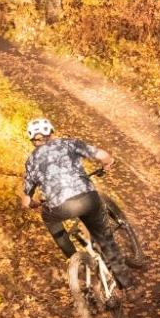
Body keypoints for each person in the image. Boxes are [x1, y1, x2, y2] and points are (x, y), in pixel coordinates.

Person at [20, 118, 131, 287]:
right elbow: (103, 156)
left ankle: (74, 260)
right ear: (51, 133)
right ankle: (128, 285)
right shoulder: (69, 144)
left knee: (49, 217)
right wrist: (108, 163)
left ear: (32, 140)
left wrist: (34, 203)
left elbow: (25, 200)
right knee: (105, 239)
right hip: (88, 198)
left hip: (60, 207)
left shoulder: (31, 161)